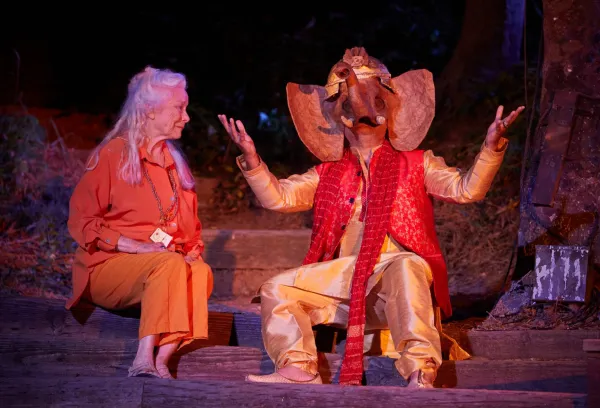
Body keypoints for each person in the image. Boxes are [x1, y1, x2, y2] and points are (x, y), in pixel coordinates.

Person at [218, 47, 524, 388]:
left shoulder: (417, 163)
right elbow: (279, 198)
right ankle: (299, 366)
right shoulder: (328, 173)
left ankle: (421, 368)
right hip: (347, 284)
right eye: (350, 106)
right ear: (337, 118)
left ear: (390, 111)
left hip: (398, 285)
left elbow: (466, 190)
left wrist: (491, 148)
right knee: (277, 288)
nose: (361, 113)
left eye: (373, 102)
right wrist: (252, 160)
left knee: (405, 264)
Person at [66, 66, 213, 379]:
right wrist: (134, 246)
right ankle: (142, 358)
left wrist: (190, 251)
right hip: (108, 266)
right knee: (167, 264)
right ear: (149, 111)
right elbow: (81, 220)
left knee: (200, 272)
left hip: (161, 268)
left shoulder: (176, 166)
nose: (186, 117)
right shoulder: (114, 155)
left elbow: (191, 232)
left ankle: (163, 359)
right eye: (179, 108)